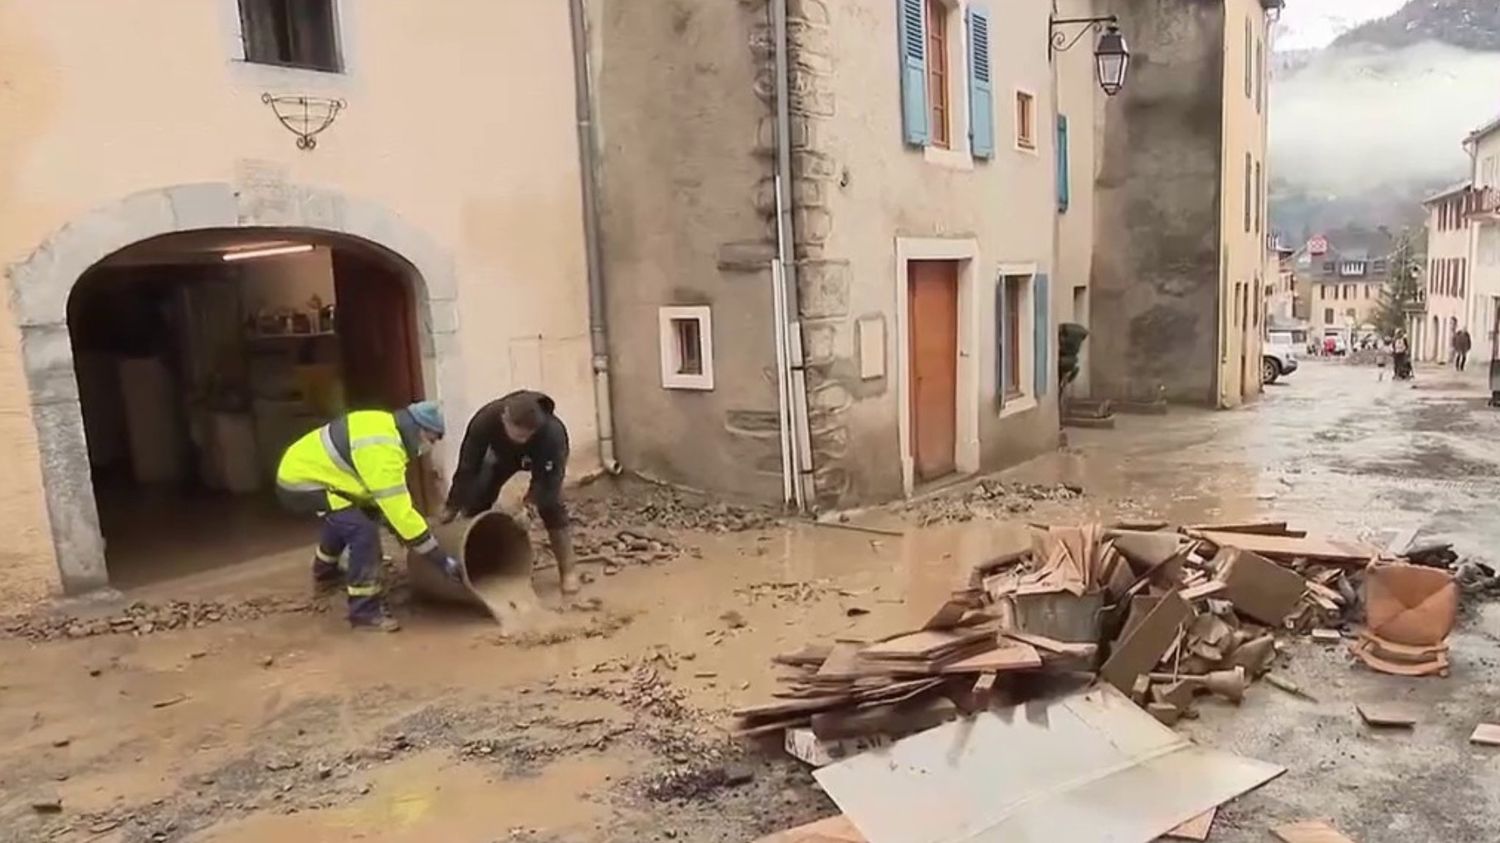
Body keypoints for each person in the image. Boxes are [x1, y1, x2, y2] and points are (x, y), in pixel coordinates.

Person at [276, 401, 458, 632]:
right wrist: (441, 560)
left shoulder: (386, 428)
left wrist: (402, 530)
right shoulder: (384, 450)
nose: (428, 446)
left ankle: (325, 573)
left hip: (316, 475)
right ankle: (364, 611)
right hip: (302, 483)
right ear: (418, 430)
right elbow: (399, 512)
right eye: (430, 439)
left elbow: (383, 500)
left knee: (347, 518)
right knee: (363, 531)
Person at [441, 391, 578, 594]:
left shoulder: (552, 433)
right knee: (478, 494)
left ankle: (568, 571)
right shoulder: (485, 421)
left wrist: (529, 508)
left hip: (541, 460)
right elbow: (467, 466)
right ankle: (473, 558)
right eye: (517, 432)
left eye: (527, 434)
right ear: (504, 416)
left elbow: (549, 482)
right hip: (501, 457)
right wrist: (452, 505)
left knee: (551, 505)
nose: (522, 438)